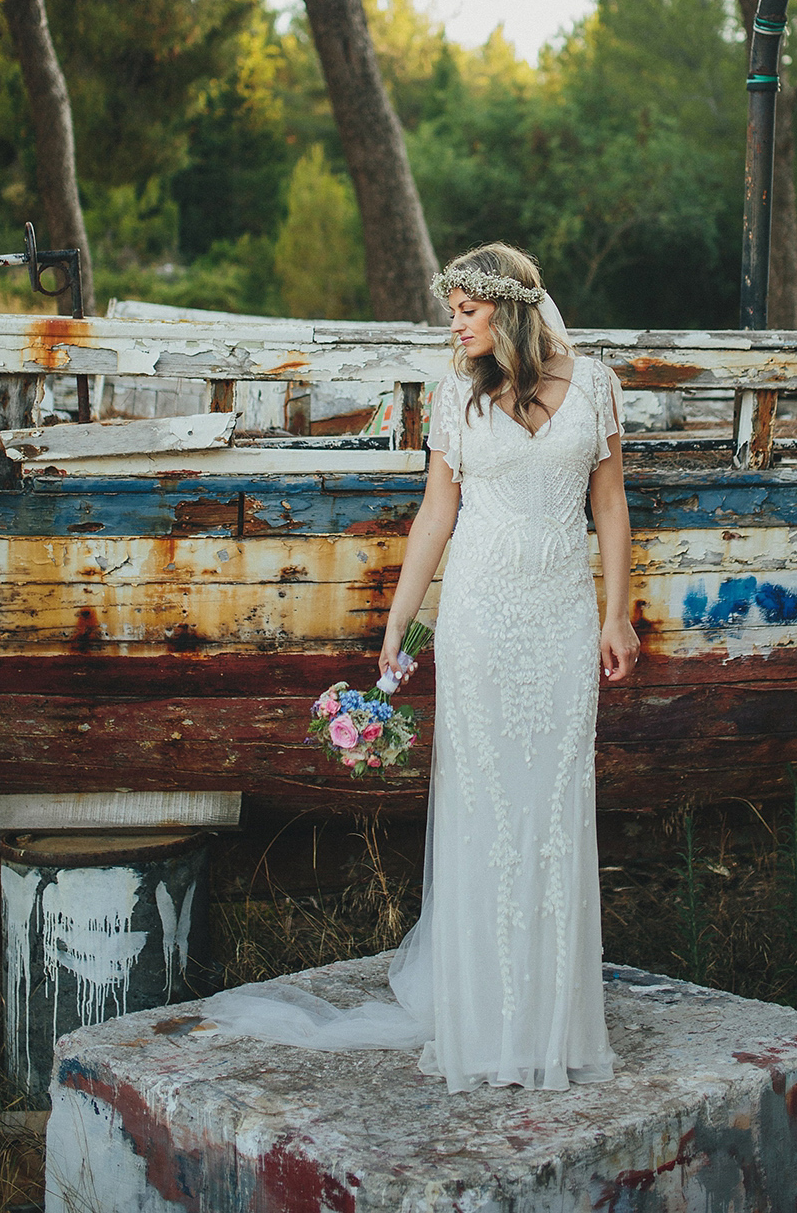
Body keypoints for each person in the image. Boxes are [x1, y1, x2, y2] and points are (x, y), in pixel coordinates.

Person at [200, 242, 639, 1093]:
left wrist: (615, 614)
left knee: (553, 800)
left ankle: (553, 1014)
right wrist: (398, 623)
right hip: (478, 615)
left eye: (467, 312)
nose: (456, 325)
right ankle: (484, 1016)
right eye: (453, 312)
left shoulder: (595, 387)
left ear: (508, 310)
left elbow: (610, 505)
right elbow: (436, 516)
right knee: (484, 800)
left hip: (558, 616)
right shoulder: (455, 398)